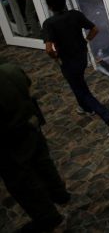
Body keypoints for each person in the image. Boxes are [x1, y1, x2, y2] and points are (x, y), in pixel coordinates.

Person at [0, 62, 70, 232]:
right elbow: (27, 86)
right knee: (44, 163)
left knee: (22, 182)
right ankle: (60, 194)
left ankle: (49, 218)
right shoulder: (10, 69)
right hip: (31, 128)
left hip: (10, 143)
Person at [42, 0, 109, 137]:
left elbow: (49, 49)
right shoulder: (75, 15)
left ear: (50, 6)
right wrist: (85, 41)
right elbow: (94, 29)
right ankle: (85, 107)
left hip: (67, 60)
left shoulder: (49, 24)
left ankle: (108, 118)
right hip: (82, 56)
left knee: (81, 90)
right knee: (78, 83)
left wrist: (55, 57)